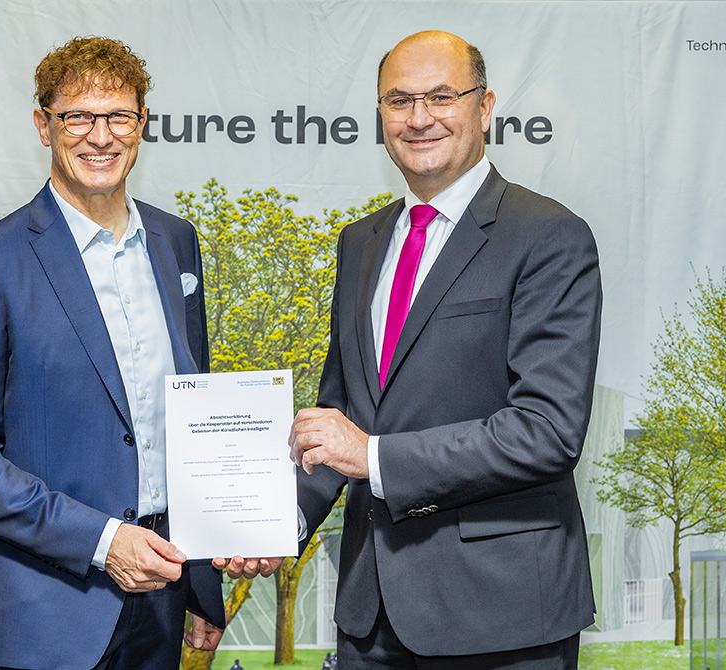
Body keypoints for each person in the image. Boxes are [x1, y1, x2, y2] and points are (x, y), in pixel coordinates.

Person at [288, 31, 601, 669]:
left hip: (500, 619)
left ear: (484, 108)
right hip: (369, 617)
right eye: (399, 101)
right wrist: (279, 525)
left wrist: (371, 456)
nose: (420, 118)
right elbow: (341, 416)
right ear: (380, 116)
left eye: (441, 97)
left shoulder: (548, 237)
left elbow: (546, 431)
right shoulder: (361, 242)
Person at [0, 36, 225, 670]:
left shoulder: (176, 242)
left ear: (142, 124)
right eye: (78, 116)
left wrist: (204, 580)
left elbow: (191, 414)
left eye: (118, 115)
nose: (100, 136)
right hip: (45, 610)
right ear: (43, 125)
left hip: (162, 597)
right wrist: (103, 541)